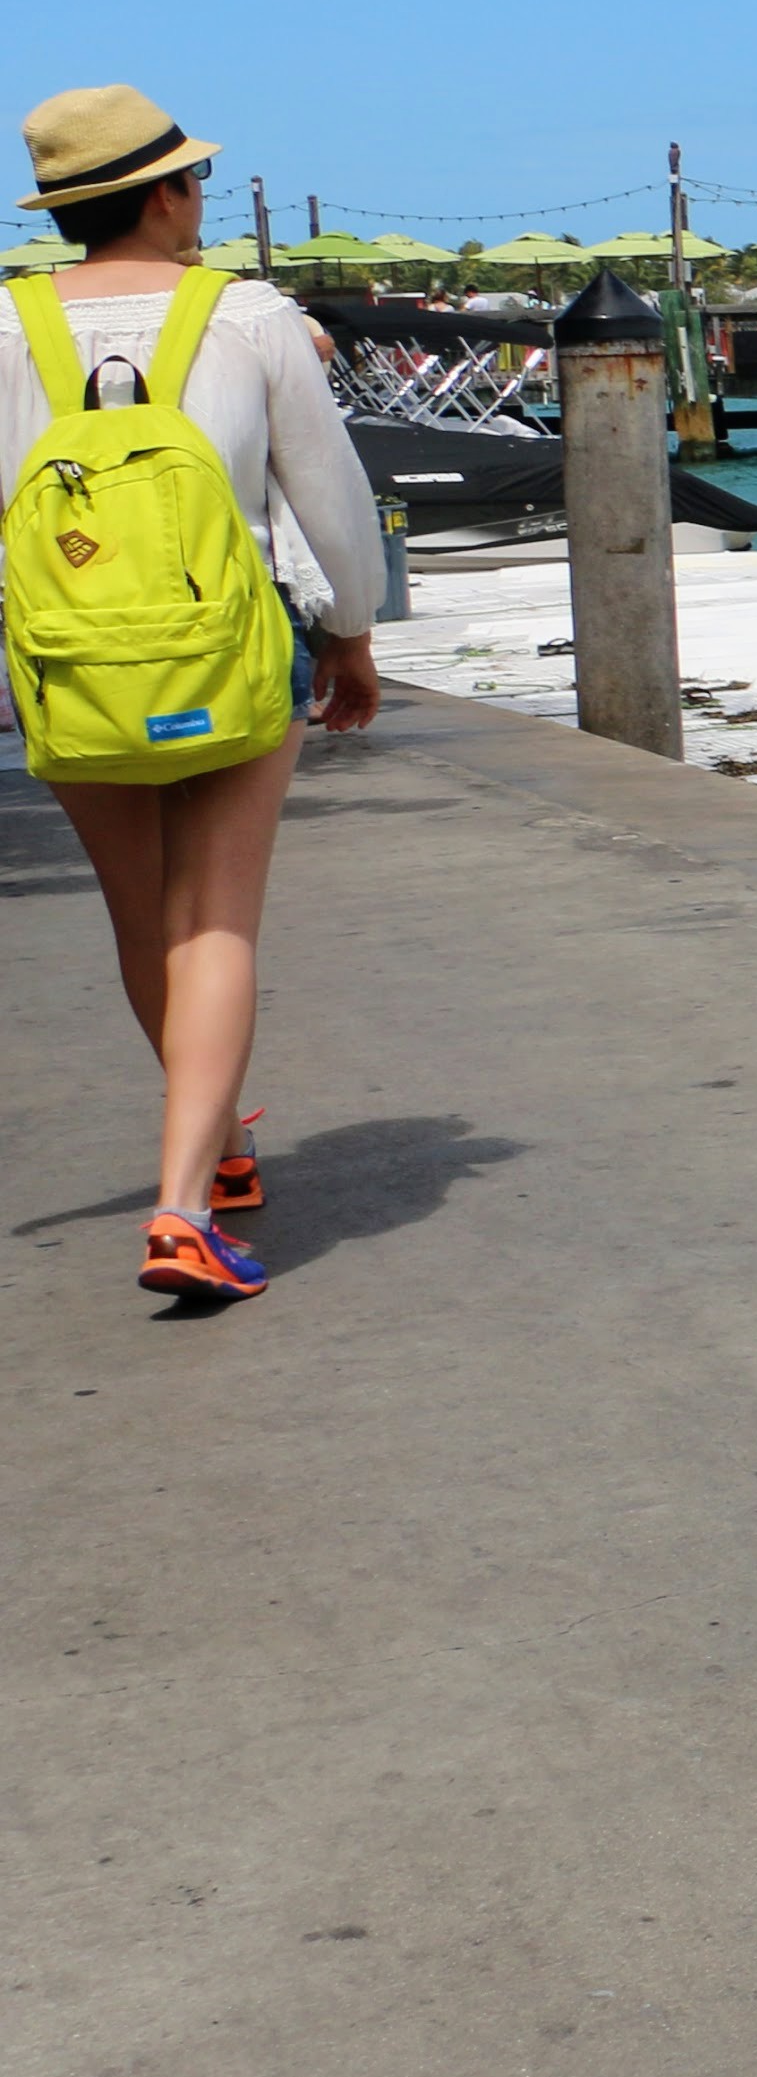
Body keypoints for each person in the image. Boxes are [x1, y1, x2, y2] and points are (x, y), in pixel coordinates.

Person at [0, 87, 381, 1302]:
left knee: (139, 920)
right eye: (195, 181)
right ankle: (183, 1209)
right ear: (165, 194)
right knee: (214, 918)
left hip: (65, 669)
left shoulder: (4, 327)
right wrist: (351, 635)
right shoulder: (251, 317)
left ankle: (221, 1149)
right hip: (224, 660)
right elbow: (330, 498)